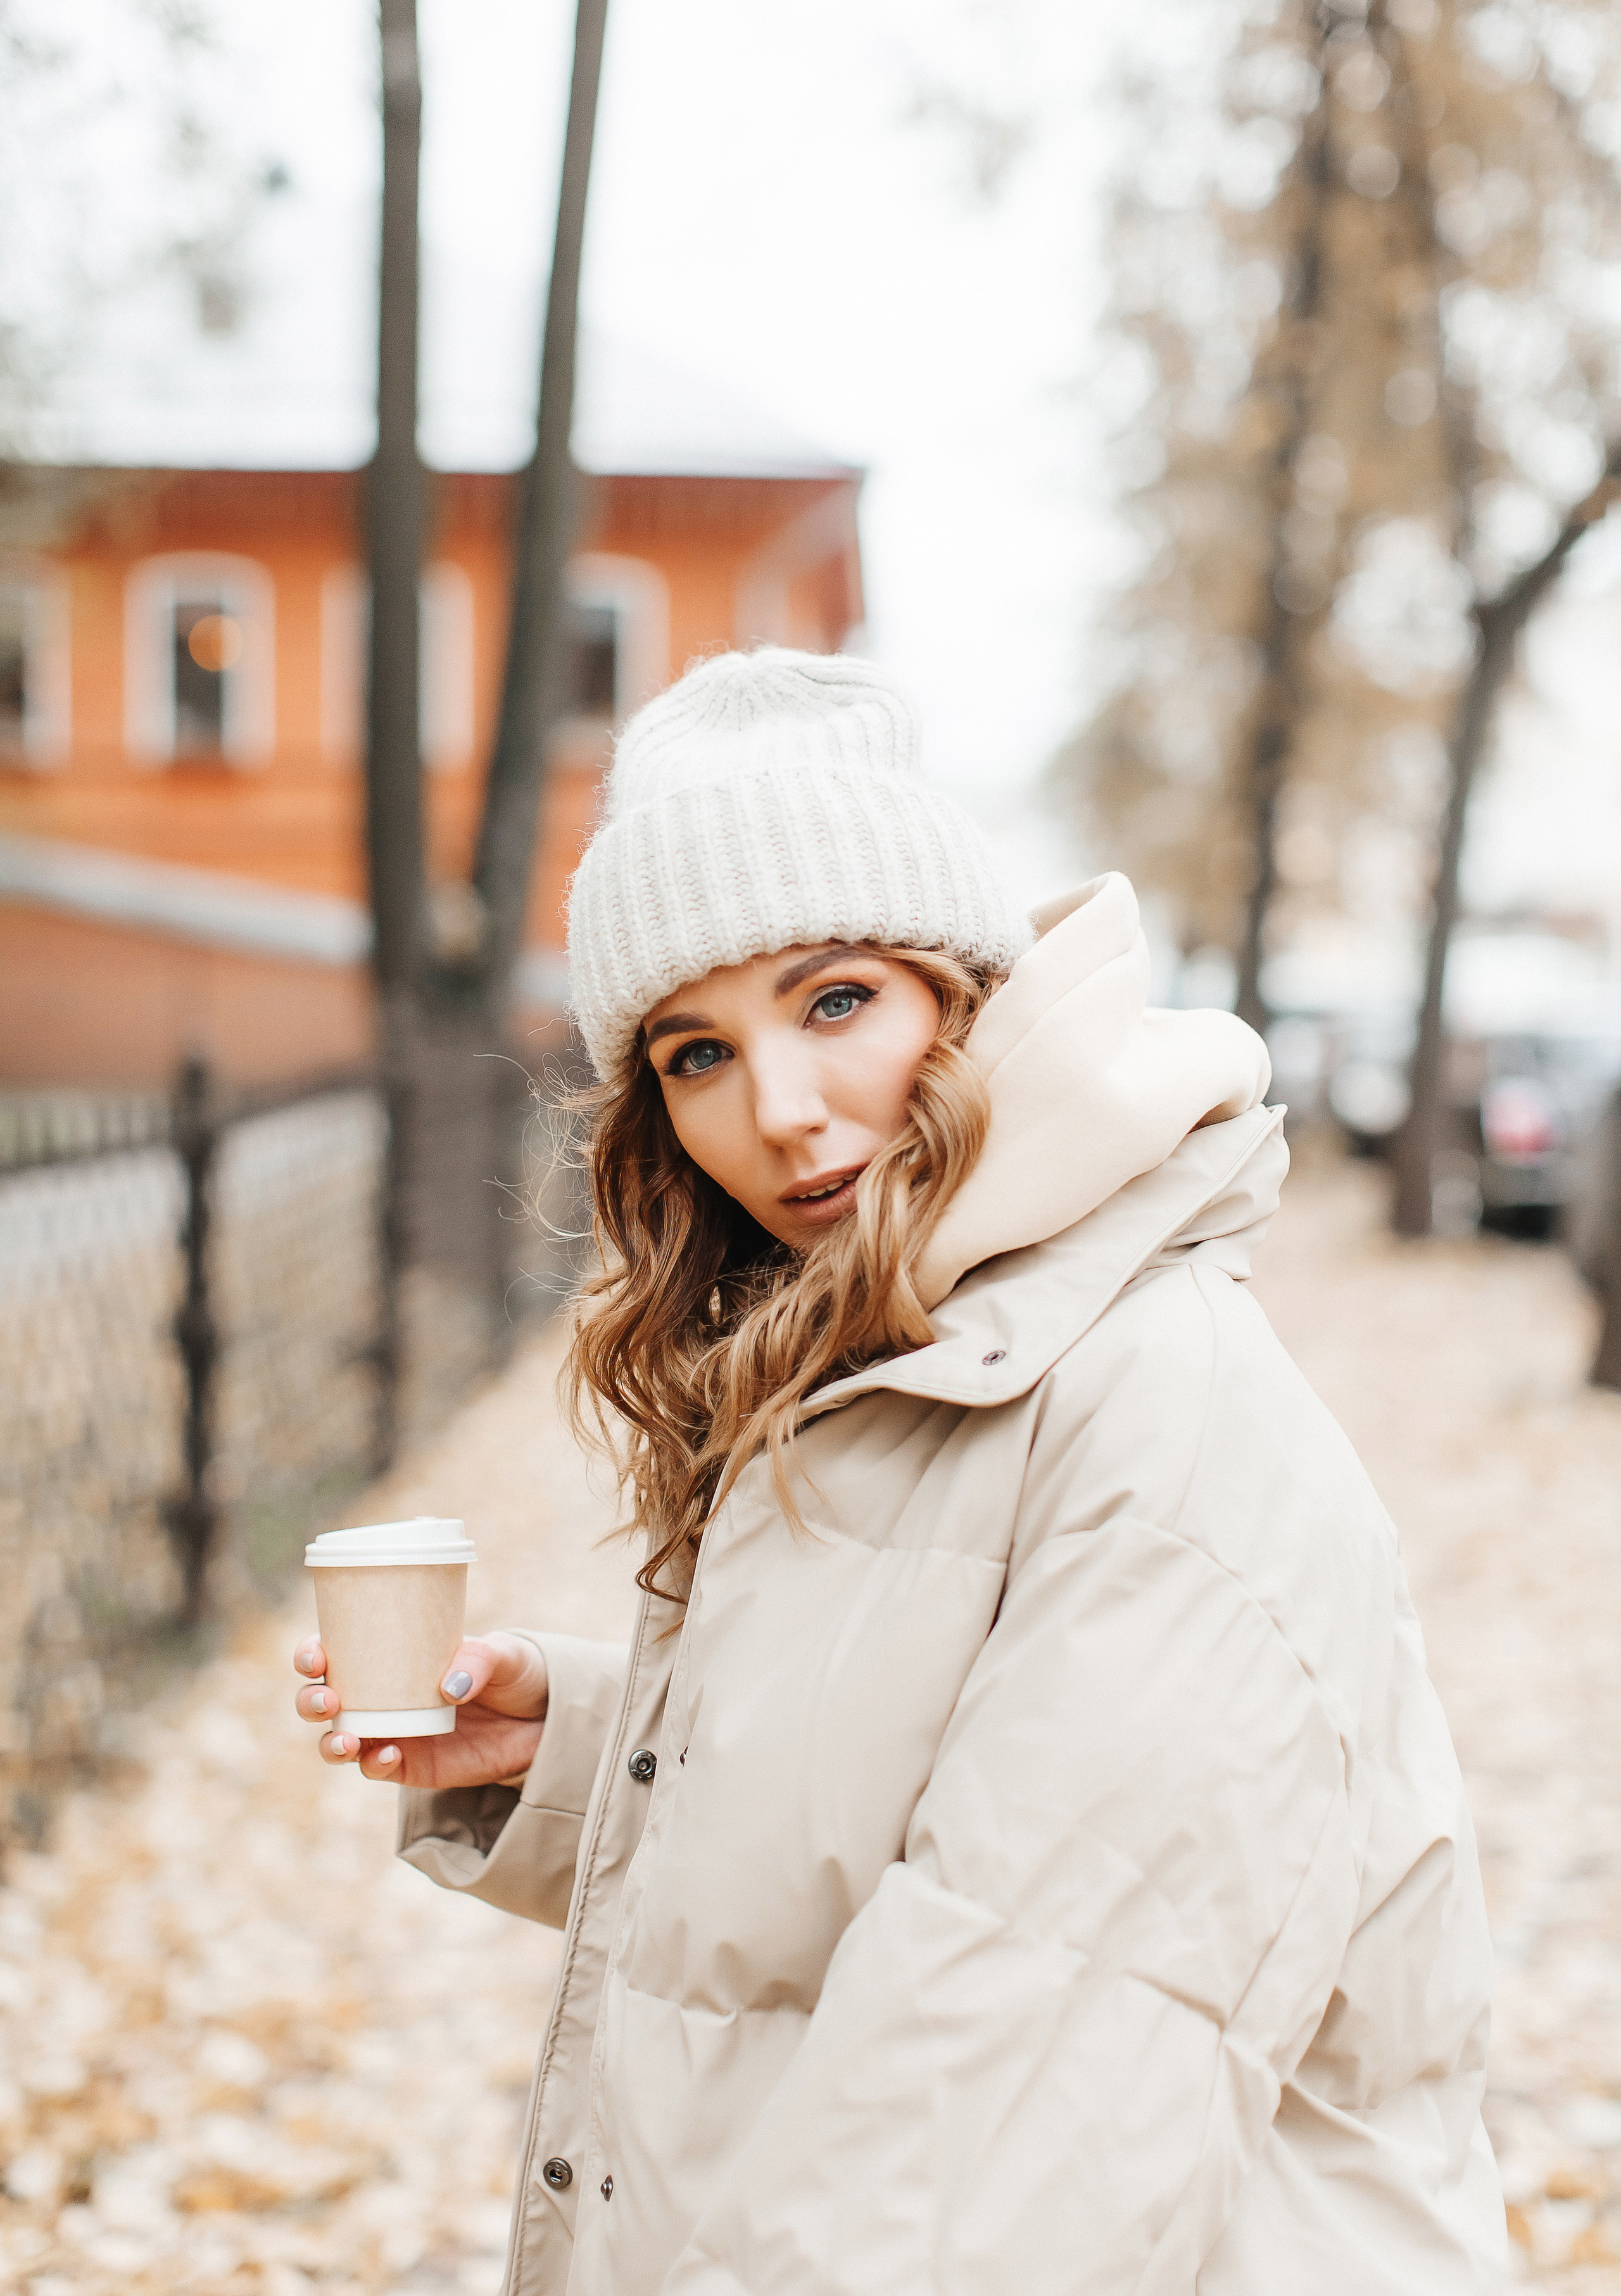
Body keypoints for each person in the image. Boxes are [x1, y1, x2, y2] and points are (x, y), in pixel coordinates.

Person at [293, 649, 1506, 2295]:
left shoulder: (1160, 1416)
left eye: (836, 999)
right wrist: (586, 1753)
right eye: (693, 1054)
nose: (780, 1113)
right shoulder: (894, 1353)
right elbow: (932, 1847)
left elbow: (993, 2163)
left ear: (964, 987)